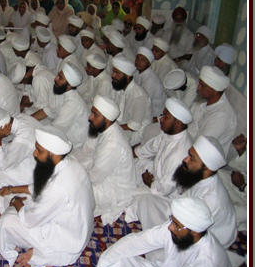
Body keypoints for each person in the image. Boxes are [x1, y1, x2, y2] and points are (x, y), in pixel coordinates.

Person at [0, 125, 95, 267]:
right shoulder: (72, 164)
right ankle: (40, 249)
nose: (34, 154)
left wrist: (16, 203)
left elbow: (30, 220)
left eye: (39, 151)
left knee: (8, 221)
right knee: (22, 196)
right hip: (80, 227)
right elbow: (42, 186)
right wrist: (13, 189)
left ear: (53, 154)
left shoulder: (59, 187)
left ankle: (45, 253)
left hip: (68, 240)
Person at [134, 135, 237, 250]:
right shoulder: (198, 176)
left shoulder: (211, 199)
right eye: (189, 155)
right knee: (146, 199)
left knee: (159, 242)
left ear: (206, 168)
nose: (185, 159)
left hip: (201, 240)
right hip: (185, 219)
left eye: (191, 158)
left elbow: (190, 233)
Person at [97, 197, 231, 267]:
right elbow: (140, 241)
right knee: (116, 262)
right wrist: (102, 266)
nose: (170, 227)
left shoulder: (208, 264)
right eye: (172, 221)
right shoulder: (176, 228)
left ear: (195, 231)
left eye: (176, 225)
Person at [72, 95, 136, 224]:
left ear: (106, 119)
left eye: (95, 114)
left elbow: (95, 178)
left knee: (72, 190)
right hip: (102, 175)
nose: (90, 117)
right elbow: (89, 152)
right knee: (71, 161)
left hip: (113, 189)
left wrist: (73, 175)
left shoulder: (113, 144)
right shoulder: (106, 129)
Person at [131, 97, 193, 198]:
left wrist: (149, 182)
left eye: (166, 117)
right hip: (156, 175)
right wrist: (129, 152)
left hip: (166, 196)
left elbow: (164, 189)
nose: (161, 119)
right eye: (163, 114)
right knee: (130, 164)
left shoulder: (180, 153)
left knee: (128, 196)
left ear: (178, 123)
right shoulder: (169, 133)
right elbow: (149, 148)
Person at [0, 108, 42, 190]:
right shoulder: (21, 117)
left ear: (3, 127)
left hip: (34, 169)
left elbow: (3, 166)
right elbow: (13, 146)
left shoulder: (21, 140)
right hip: (30, 153)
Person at [31, 62, 89, 148]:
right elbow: (47, 111)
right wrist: (27, 120)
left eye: (60, 78)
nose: (55, 78)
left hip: (73, 143)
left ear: (69, 85)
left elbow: (55, 129)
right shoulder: (61, 92)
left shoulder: (73, 104)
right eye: (58, 75)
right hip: (59, 130)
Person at [188, 66, 237, 157]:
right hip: (188, 143)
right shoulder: (204, 102)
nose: (198, 87)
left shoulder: (221, 116)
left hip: (201, 159)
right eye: (199, 83)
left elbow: (200, 148)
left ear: (215, 91)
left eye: (202, 85)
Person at [105, 54, 152, 146]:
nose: (113, 76)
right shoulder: (118, 86)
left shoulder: (139, 97)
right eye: (113, 72)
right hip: (120, 125)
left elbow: (134, 126)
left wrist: (112, 127)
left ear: (127, 76)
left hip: (136, 133)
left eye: (117, 73)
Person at [134, 46, 166, 119]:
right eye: (137, 58)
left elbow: (143, 103)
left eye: (143, 60)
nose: (138, 62)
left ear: (149, 64)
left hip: (154, 114)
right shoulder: (137, 72)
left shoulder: (150, 80)